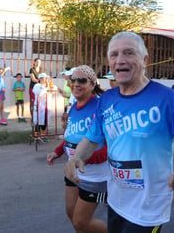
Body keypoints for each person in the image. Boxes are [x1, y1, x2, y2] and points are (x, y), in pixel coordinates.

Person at [64, 31, 174, 232]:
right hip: (116, 200)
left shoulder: (167, 99)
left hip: (148, 209)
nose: (120, 60)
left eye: (128, 53)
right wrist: (76, 158)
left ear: (144, 60)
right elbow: (92, 138)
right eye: (114, 55)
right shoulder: (107, 100)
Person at [47, 65, 107, 233]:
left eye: (82, 80)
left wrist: (83, 158)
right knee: (72, 215)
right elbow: (71, 137)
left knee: (81, 222)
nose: (75, 84)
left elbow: (110, 147)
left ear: (92, 84)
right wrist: (57, 152)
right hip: (73, 172)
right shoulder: (74, 106)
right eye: (73, 80)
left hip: (95, 176)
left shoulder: (100, 107)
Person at [32, 73, 55, 142]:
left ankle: (42, 136)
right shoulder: (37, 86)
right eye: (45, 78)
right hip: (39, 106)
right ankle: (36, 137)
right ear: (40, 79)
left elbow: (52, 91)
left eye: (46, 78)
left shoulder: (48, 86)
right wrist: (46, 89)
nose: (46, 79)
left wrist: (50, 87)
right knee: (37, 121)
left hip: (46, 107)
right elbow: (38, 93)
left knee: (44, 121)